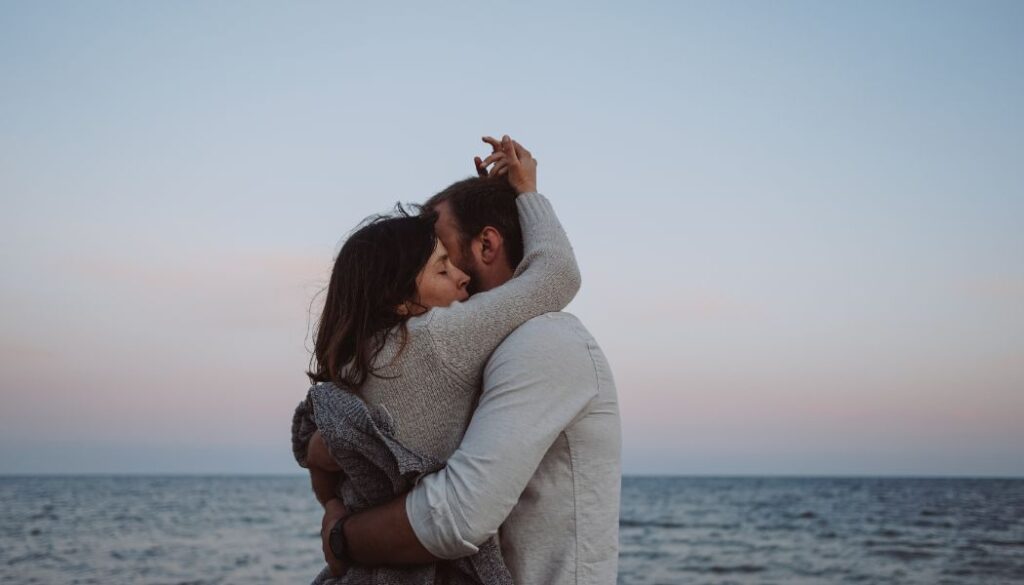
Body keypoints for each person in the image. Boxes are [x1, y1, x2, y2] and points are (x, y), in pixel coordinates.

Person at [308, 137, 622, 585]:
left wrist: (339, 532)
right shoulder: (448, 346)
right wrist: (526, 190)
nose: (438, 261)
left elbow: (455, 513)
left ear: (487, 246)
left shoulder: (544, 339)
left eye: (439, 246)